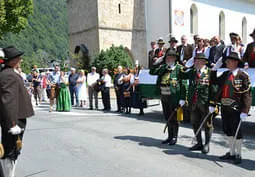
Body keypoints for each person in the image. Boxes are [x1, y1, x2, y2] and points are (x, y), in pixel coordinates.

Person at [211, 52, 252, 164]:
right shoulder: (225, 74)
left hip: (236, 109)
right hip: (225, 107)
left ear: (235, 62)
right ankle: (232, 152)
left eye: (229, 61)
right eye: (227, 61)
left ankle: (238, 154)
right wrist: (215, 68)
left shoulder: (242, 76)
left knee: (236, 131)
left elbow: (247, 95)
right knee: (228, 130)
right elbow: (213, 80)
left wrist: (245, 110)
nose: (227, 63)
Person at [0, 46, 34, 177]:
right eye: (18, 57)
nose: (21, 59)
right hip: (14, 120)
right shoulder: (9, 75)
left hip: (14, 118)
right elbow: (7, 101)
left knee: (12, 149)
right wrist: (12, 123)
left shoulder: (8, 73)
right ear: (12, 60)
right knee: (10, 151)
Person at [180, 53, 216, 154]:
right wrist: (187, 65)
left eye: (198, 60)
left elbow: (214, 89)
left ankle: (207, 144)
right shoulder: (192, 72)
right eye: (195, 61)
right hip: (194, 102)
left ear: (204, 62)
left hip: (205, 103)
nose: (196, 62)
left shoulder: (210, 72)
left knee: (207, 124)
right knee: (195, 123)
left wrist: (213, 103)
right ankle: (199, 143)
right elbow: (182, 74)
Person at [150, 50, 183, 145]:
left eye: (171, 57)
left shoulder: (179, 68)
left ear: (175, 58)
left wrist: (182, 98)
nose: (169, 59)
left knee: (174, 117)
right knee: (167, 116)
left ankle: (174, 137)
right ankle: (169, 136)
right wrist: (157, 62)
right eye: (167, 58)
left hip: (174, 96)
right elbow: (152, 72)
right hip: (164, 95)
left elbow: (184, 83)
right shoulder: (163, 67)